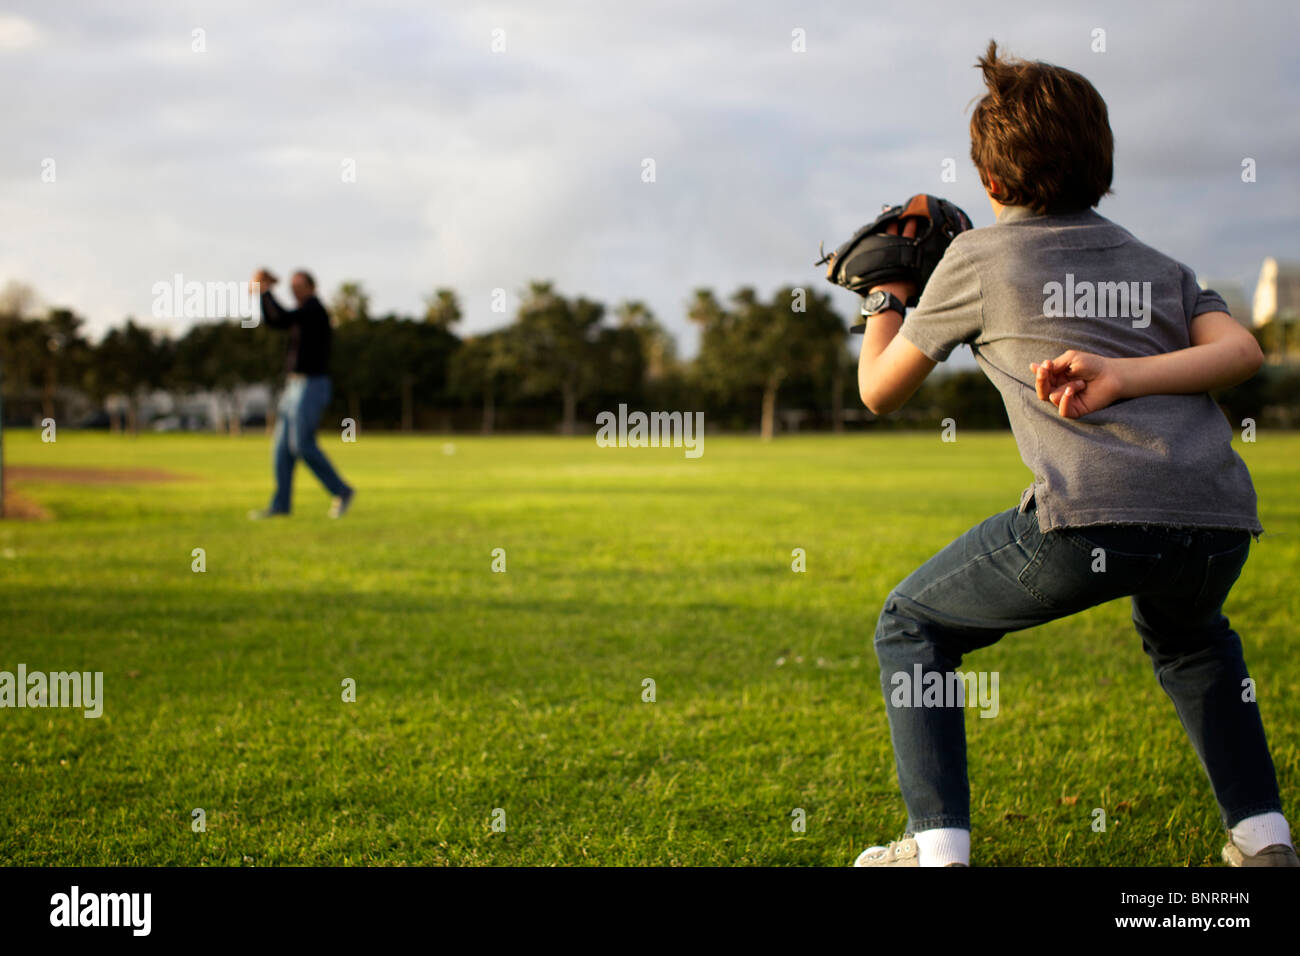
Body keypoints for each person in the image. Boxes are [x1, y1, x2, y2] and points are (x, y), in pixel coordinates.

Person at [850, 41, 1292, 867]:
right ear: (1104, 163)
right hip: (1215, 519)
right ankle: (1264, 840)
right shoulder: (1162, 267)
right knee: (1194, 642)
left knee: (911, 625)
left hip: (1092, 517)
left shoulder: (978, 257)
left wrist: (886, 295)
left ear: (990, 180)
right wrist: (1126, 374)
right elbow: (1242, 353)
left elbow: (880, 390)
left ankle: (937, 849)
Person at [248, 268, 355, 520]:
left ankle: (342, 490)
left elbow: (283, 317)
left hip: (312, 385)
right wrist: (264, 294)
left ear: (311, 287)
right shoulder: (303, 312)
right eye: (291, 286)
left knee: (302, 445)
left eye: (299, 285)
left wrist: (265, 290)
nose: (294, 290)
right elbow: (275, 321)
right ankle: (281, 504)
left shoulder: (314, 309)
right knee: (281, 448)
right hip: (294, 386)